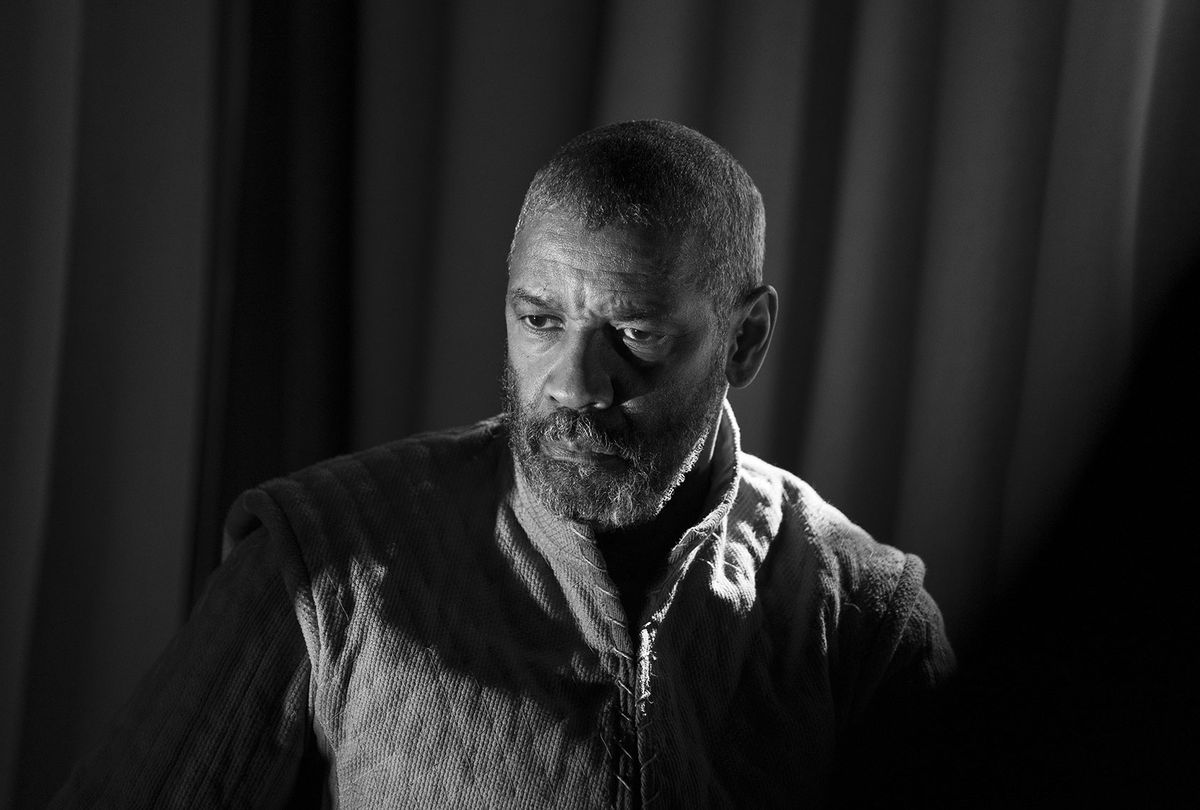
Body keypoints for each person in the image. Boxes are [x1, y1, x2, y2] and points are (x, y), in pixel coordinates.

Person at [52, 119, 954, 808]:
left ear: (745, 338)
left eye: (636, 334)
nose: (574, 384)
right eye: (540, 321)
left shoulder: (863, 619)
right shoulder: (324, 560)